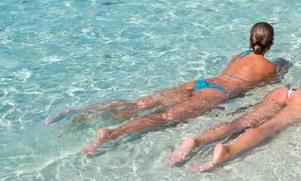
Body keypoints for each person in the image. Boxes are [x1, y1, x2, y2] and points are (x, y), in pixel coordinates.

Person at [168, 24, 301, 171]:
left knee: (241, 121)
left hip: (286, 92)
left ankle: (196, 141)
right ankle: (227, 151)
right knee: (267, 128)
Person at [51, 22, 281, 155]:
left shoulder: (238, 54)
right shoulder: (269, 67)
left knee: (139, 104)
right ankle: (111, 134)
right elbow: (261, 91)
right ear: (270, 44)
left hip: (201, 82)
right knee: (164, 116)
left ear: (249, 40)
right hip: (218, 93)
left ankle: (82, 112)